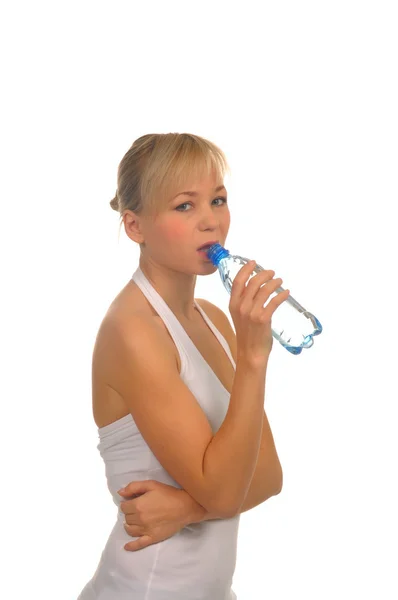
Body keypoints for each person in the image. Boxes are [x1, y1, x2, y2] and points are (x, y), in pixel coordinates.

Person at [77, 133, 288, 600]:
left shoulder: (213, 320)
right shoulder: (133, 331)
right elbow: (227, 493)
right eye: (184, 206)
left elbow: (268, 476)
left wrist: (188, 510)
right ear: (135, 226)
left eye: (217, 199)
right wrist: (254, 358)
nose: (211, 221)